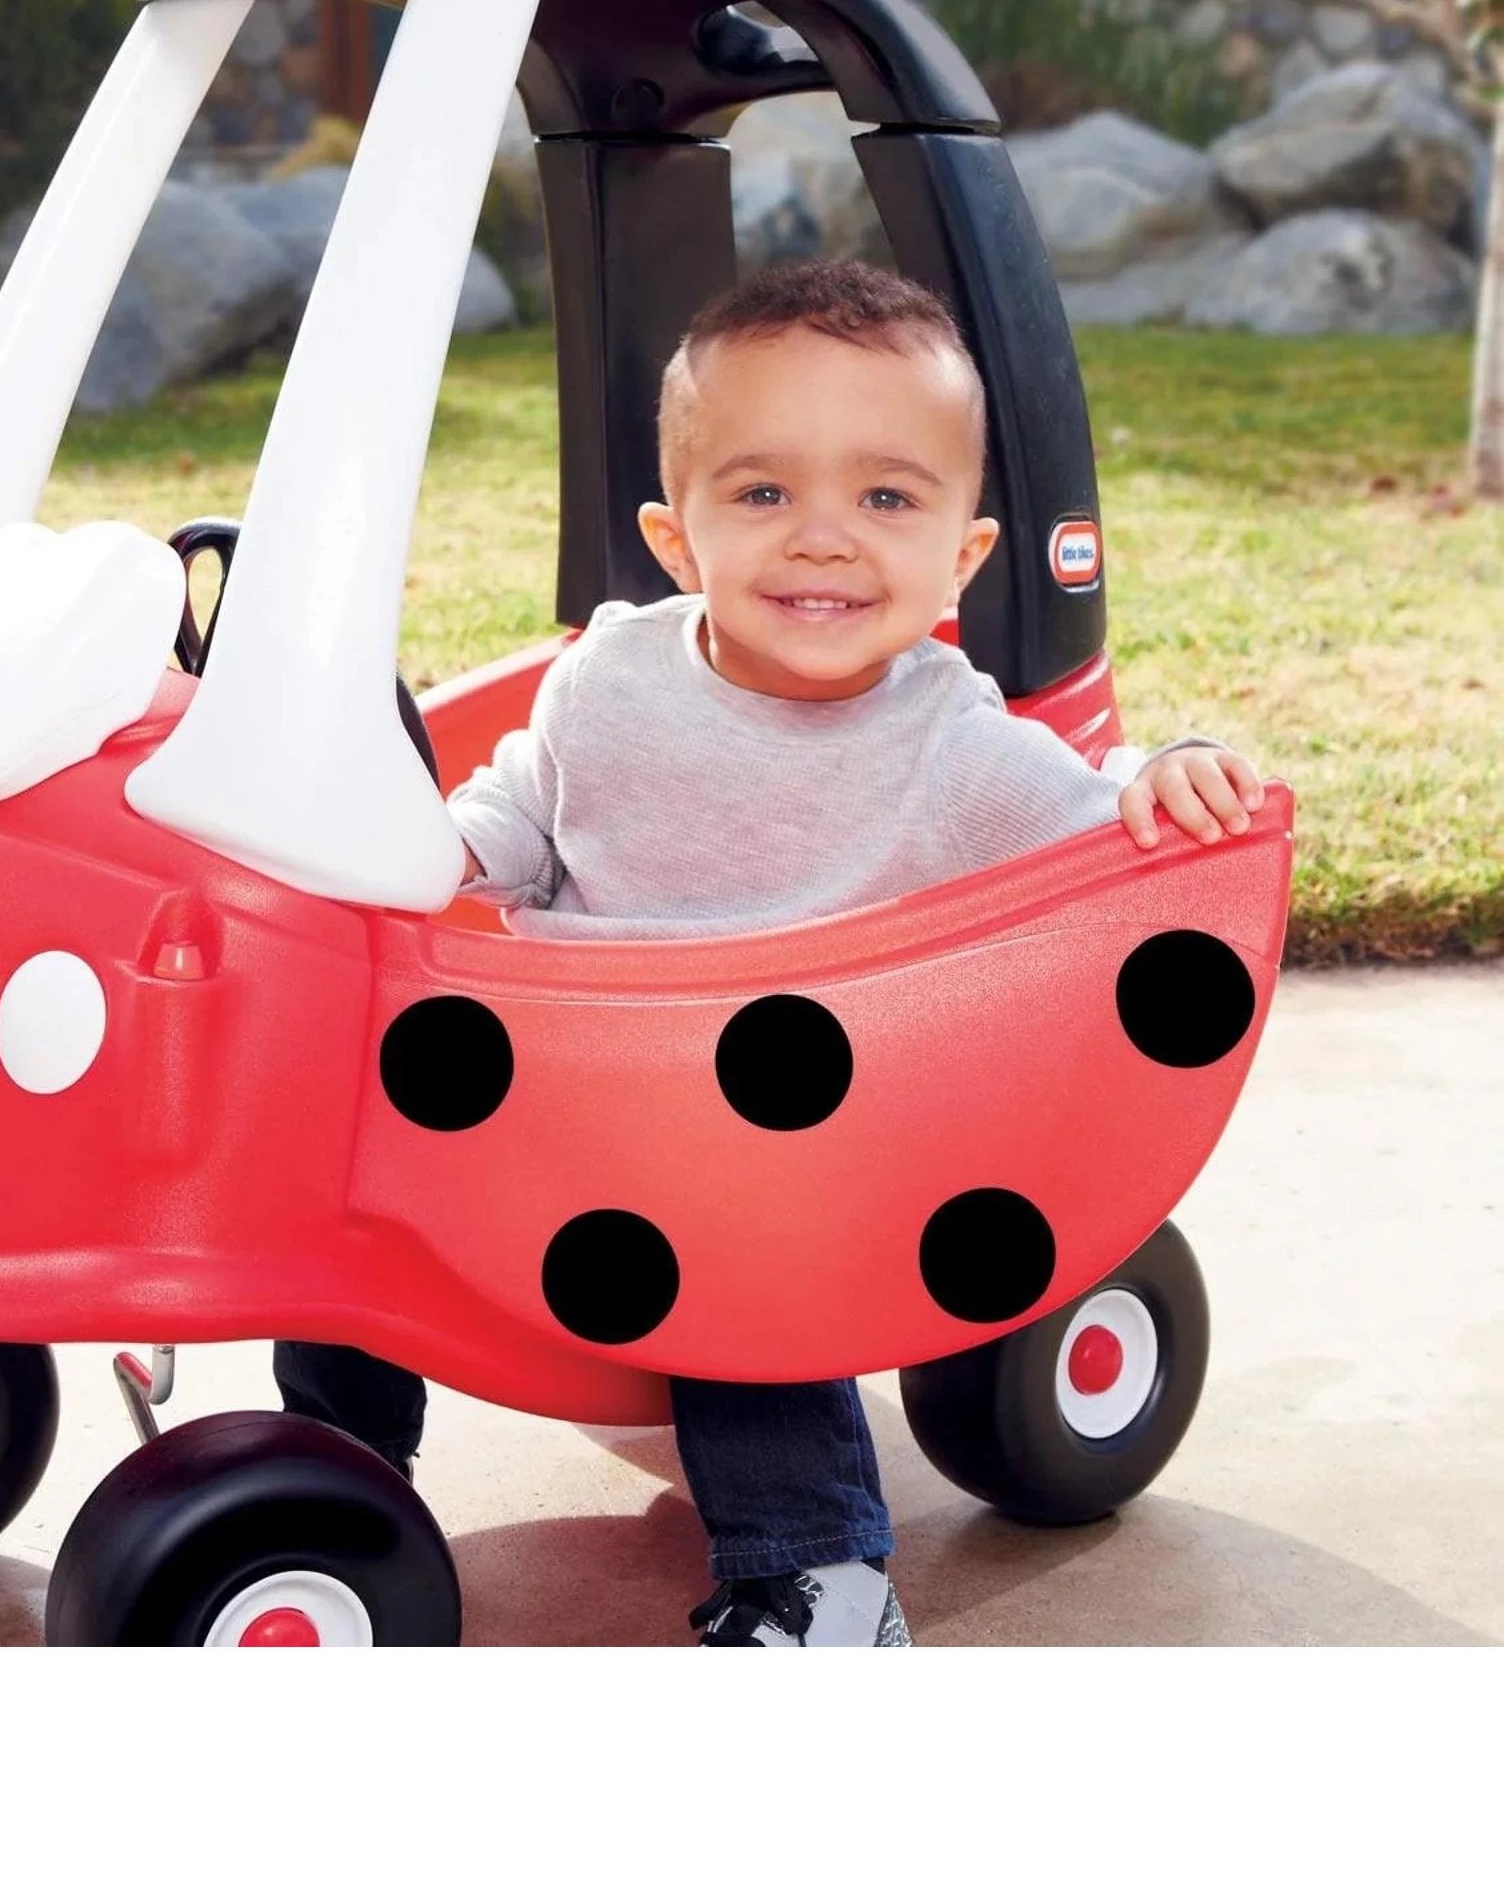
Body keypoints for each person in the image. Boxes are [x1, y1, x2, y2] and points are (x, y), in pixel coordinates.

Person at [277, 258, 1264, 1646]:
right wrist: (434, 857)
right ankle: (333, 1471)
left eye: (887, 499)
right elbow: (520, 814)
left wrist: (1175, 768)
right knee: (349, 1171)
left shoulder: (955, 748)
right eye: (761, 494)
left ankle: (819, 1573)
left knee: (744, 1259)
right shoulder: (605, 680)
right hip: (558, 1083)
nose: (823, 541)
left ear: (963, 555)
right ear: (676, 540)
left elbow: (1104, 838)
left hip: (781, 1143)